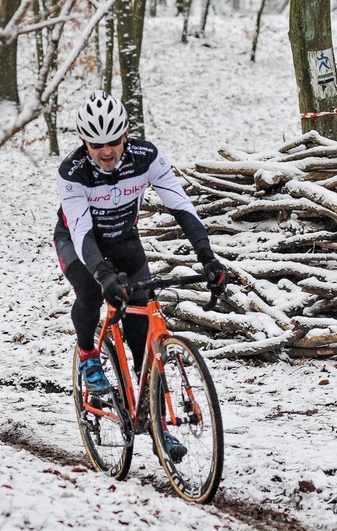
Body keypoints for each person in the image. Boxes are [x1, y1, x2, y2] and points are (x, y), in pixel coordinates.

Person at [53, 90, 228, 461]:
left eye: (113, 141)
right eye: (96, 144)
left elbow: (181, 205)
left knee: (141, 334)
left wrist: (208, 257)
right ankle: (88, 354)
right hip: (78, 242)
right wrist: (103, 275)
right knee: (90, 293)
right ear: (84, 141)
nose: (106, 151)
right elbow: (82, 230)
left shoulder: (146, 158)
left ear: (126, 134)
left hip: (124, 242)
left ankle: (155, 422)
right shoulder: (73, 172)